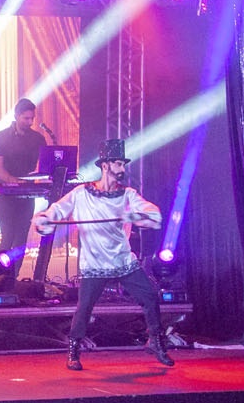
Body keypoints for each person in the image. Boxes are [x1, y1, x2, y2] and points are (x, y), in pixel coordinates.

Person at [33, 138, 174, 371]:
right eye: (118, 163)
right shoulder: (81, 193)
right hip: (95, 262)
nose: (122, 168)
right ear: (105, 165)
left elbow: (153, 213)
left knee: (150, 296)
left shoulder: (127, 194)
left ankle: (155, 341)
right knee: (84, 307)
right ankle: (74, 350)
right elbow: (58, 209)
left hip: (122, 260)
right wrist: (46, 219)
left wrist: (137, 216)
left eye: (123, 164)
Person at [0, 98, 48, 280]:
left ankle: (12, 278)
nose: (30, 122)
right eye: (26, 118)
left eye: (32, 118)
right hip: (5, 193)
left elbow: (45, 165)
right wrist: (13, 181)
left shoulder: (37, 139)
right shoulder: (1, 137)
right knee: (8, 234)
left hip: (26, 194)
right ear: (16, 116)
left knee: (22, 236)